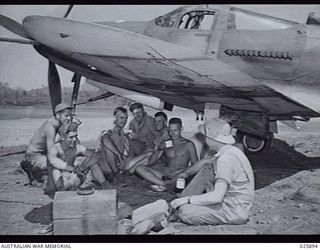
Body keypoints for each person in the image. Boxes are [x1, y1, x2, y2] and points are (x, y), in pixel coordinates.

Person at [170, 118, 254, 226]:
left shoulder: (225, 160)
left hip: (233, 211)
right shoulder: (232, 151)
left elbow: (217, 197)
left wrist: (188, 200)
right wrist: (186, 173)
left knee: (185, 212)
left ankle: (180, 204)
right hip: (238, 204)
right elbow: (205, 163)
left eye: (205, 136)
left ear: (211, 138)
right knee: (207, 169)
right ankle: (181, 200)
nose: (204, 139)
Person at [134, 118, 198, 192]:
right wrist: (159, 149)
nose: (173, 133)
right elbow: (151, 162)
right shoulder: (166, 144)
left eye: (175, 130)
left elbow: (195, 165)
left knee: (146, 182)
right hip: (165, 174)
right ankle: (164, 184)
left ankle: (162, 184)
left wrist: (180, 172)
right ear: (168, 129)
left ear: (181, 129)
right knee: (139, 168)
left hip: (180, 174)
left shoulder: (188, 144)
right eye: (170, 130)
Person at [45, 122, 111, 194]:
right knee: (55, 170)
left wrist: (84, 166)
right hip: (57, 184)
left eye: (76, 136)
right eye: (71, 137)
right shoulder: (55, 149)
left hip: (73, 178)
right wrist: (74, 169)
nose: (75, 139)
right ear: (63, 137)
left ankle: (104, 184)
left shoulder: (76, 147)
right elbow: (54, 162)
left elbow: (97, 155)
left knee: (92, 161)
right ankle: (63, 192)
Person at [21, 103, 73, 186]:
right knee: (61, 163)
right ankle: (44, 178)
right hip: (34, 157)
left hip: (39, 154)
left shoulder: (55, 121)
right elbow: (51, 153)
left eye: (70, 116)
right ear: (58, 115)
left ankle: (40, 174)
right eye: (66, 116)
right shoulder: (50, 128)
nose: (69, 118)